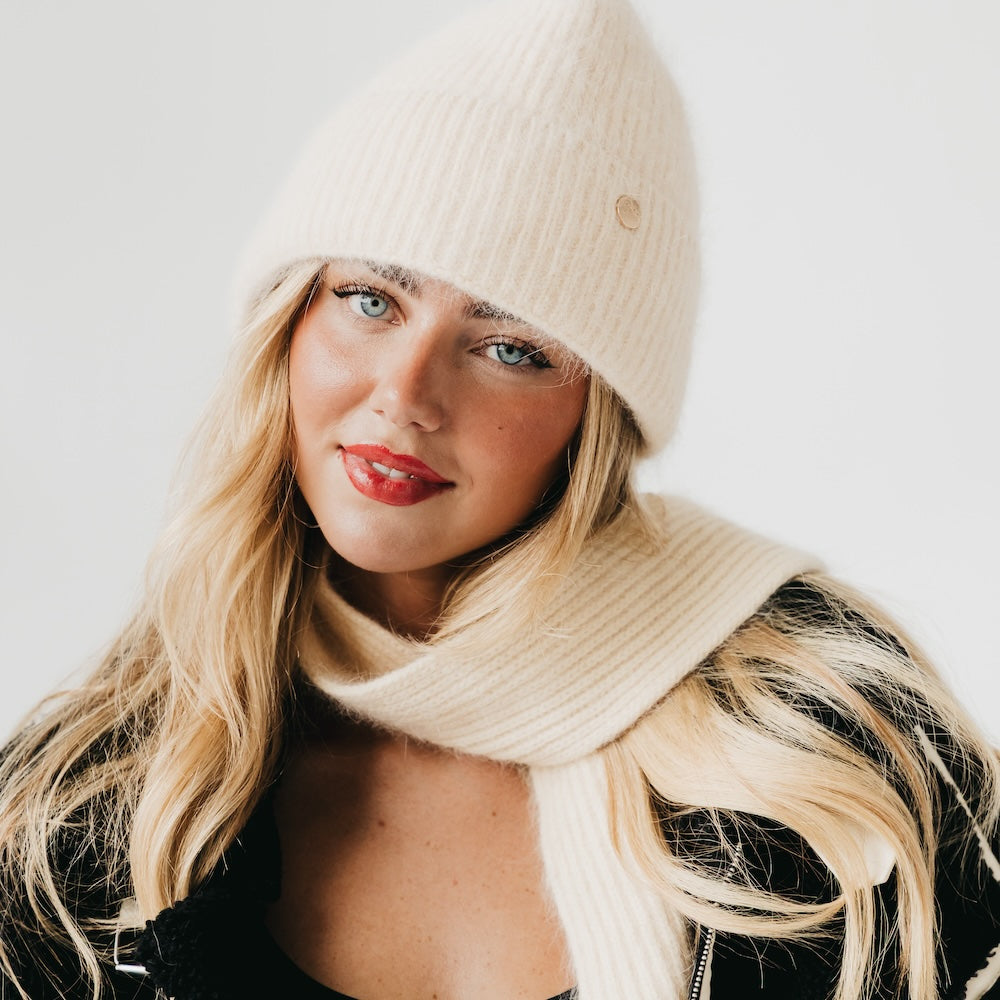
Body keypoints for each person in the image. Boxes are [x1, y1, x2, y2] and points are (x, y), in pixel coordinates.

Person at [1, 0, 997, 998]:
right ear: (287, 323)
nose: (406, 395)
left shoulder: (829, 735)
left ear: (593, 413)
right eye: (369, 298)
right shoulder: (75, 810)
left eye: (510, 347)